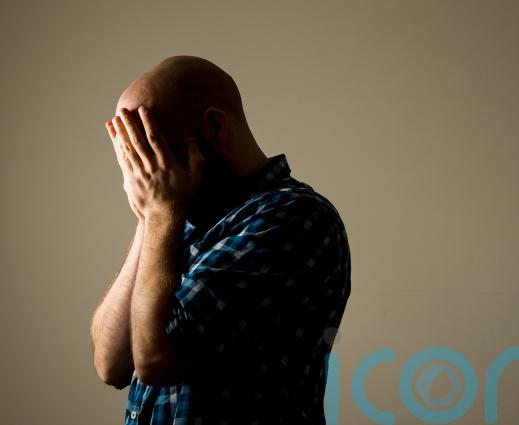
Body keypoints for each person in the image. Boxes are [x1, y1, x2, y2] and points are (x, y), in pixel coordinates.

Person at [89, 55, 351, 425]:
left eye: (155, 154)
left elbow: (155, 360)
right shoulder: (174, 220)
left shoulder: (293, 217)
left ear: (216, 127)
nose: (147, 175)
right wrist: (149, 218)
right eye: (136, 160)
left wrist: (160, 212)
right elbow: (110, 364)